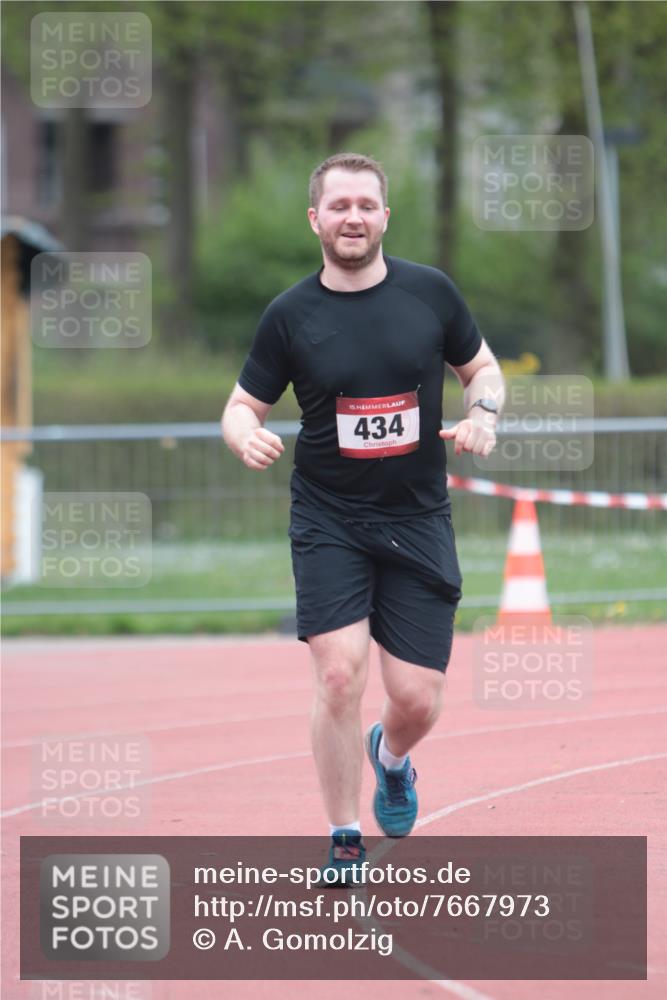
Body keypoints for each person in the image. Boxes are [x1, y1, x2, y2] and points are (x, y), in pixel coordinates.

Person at [222, 152, 504, 885]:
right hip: (329, 519)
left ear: (385, 216)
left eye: (366, 205)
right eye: (338, 205)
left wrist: (484, 416)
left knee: (415, 698)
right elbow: (242, 403)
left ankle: (393, 758)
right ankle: (343, 835)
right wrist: (241, 432)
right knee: (338, 676)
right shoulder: (289, 314)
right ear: (315, 218)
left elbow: (481, 369)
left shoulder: (430, 295)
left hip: (415, 518)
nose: (353, 217)